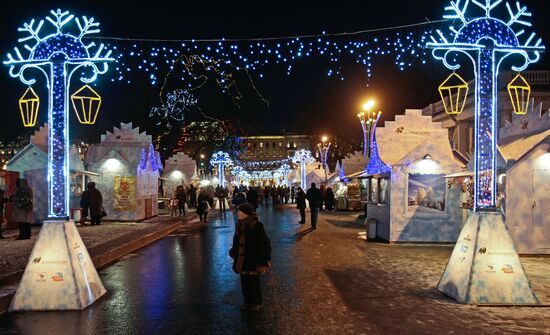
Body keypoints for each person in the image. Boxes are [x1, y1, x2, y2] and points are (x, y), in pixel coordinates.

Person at [229, 203, 271, 312]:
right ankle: (247, 301)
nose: (238, 213)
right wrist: (234, 252)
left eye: (240, 212)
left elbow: (264, 243)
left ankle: (257, 302)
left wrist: (263, 260)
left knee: (254, 283)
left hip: (253, 259)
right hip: (242, 260)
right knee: (244, 282)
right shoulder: (239, 224)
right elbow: (236, 241)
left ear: (246, 214)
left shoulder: (257, 225)